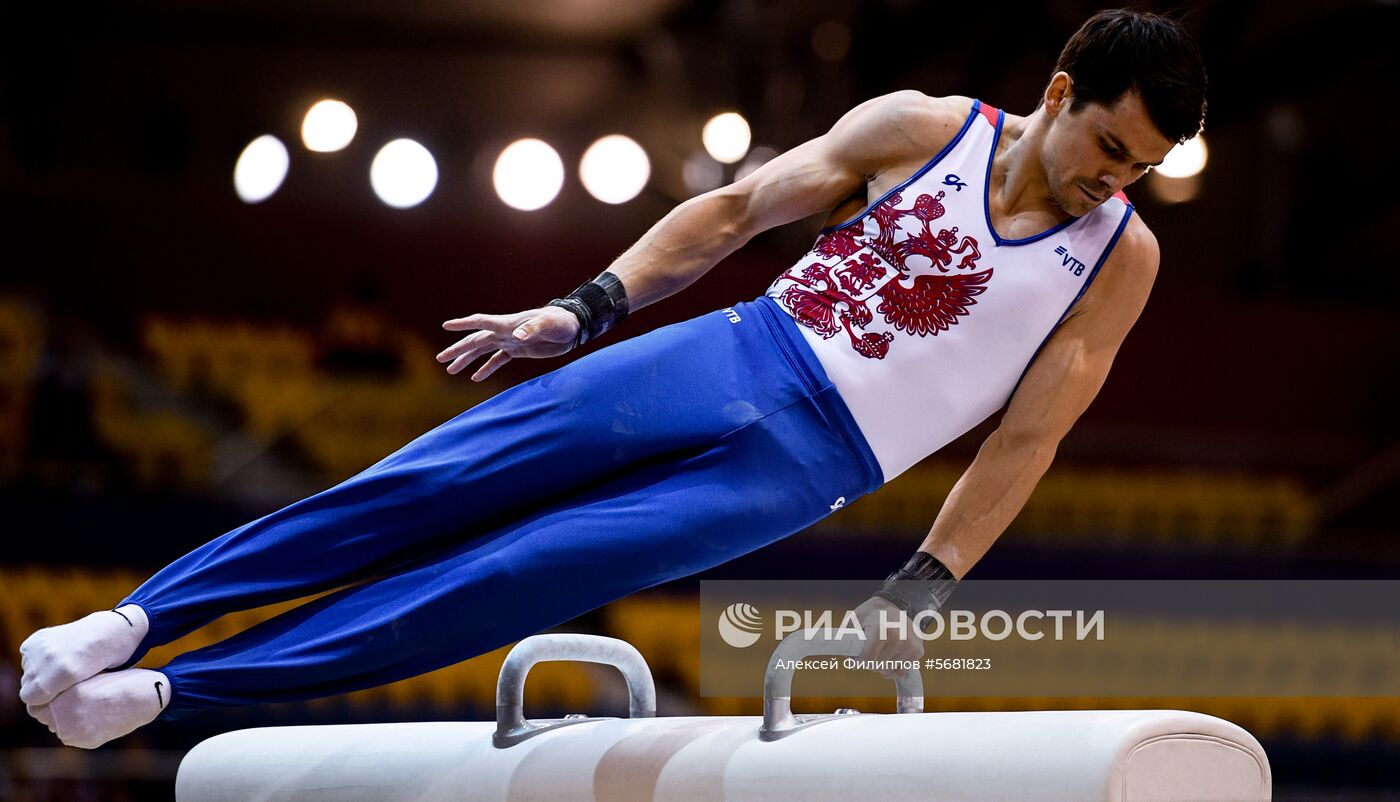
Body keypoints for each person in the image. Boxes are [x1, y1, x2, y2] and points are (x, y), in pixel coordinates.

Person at [19, 8, 1205, 748]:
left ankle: (183, 693)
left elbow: (1025, 440)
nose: (1116, 181)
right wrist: (578, 309)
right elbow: (740, 208)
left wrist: (920, 590)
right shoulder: (922, 127)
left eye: (1142, 169)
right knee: (440, 481)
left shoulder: (1118, 258)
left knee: (518, 574)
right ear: (1059, 92)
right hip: (733, 348)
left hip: (806, 467)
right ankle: (133, 618)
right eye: (1108, 147)